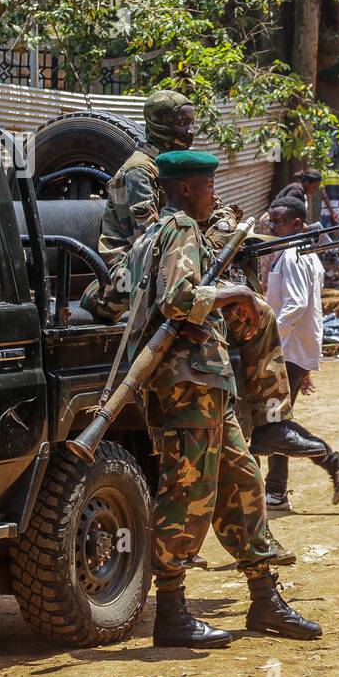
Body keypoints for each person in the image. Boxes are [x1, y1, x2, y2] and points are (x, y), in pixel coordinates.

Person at [124, 150, 321, 648]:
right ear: (187, 188)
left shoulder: (148, 236)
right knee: (188, 494)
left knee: (243, 483)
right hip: (187, 384)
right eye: (209, 185)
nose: (215, 194)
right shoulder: (181, 230)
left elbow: (110, 295)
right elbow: (178, 298)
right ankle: (170, 611)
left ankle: (264, 600)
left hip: (207, 386)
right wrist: (236, 295)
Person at [79, 89, 321, 461]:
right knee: (239, 306)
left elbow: (218, 212)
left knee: (258, 309)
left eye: (192, 122)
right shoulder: (141, 171)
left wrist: (224, 230)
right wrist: (218, 236)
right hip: (134, 274)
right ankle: (262, 420)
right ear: (158, 122)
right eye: (181, 122)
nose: (190, 129)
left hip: (177, 264)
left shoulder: (179, 166)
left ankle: (272, 423)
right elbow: (155, 238)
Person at [262, 197, 339, 512]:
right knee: (275, 419)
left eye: (279, 222)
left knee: (273, 422)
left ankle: (335, 464)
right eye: (272, 221)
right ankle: (276, 490)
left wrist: (269, 345)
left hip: (286, 350)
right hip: (294, 350)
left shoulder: (293, 255)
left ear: (296, 224)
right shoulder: (303, 254)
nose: (273, 227)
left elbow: (296, 307)